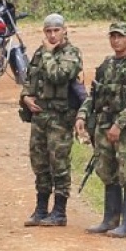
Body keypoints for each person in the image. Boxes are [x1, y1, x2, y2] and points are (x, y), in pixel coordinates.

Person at [76, 22, 126, 238]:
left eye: (120, 36)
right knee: (107, 172)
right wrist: (82, 115)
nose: (116, 40)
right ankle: (110, 220)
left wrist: (119, 124)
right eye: (113, 36)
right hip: (104, 126)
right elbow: (94, 95)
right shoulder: (106, 65)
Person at [20, 14, 84, 227]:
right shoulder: (40, 53)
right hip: (40, 115)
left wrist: (48, 52)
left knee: (59, 163)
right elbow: (30, 77)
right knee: (39, 163)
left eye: (56, 30)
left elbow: (58, 75)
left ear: (65, 30)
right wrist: (26, 97)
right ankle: (41, 208)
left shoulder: (71, 54)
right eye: (48, 31)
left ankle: (59, 211)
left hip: (60, 117)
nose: (52, 35)